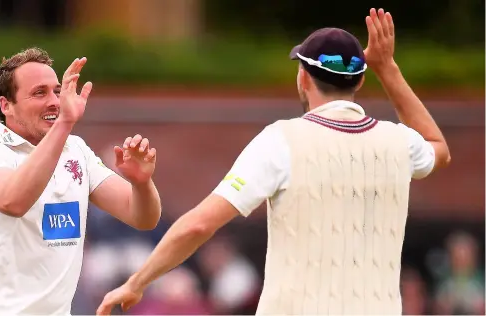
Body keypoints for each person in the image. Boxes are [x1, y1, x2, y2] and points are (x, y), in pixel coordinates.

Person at [96, 8, 451, 315]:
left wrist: (137, 282)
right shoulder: (399, 142)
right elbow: (439, 147)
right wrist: (387, 68)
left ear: (303, 77)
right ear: (359, 80)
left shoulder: (280, 141)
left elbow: (198, 226)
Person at [0, 48, 162, 315]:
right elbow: (13, 201)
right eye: (39, 93)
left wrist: (142, 184)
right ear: (6, 105)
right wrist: (65, 121)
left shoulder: (76, 150)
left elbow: (143, 218)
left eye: (57, 91)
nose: (55, 101)